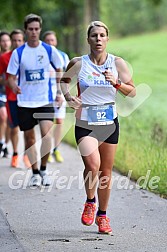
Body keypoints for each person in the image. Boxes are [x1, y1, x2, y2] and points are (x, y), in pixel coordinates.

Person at [60, 21, 136, 234]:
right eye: (94, 36)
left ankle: (102, 215)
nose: (98, 39)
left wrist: (117, 84)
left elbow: (133, 92)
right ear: (88, 40)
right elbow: (64, 81)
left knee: (105, 172)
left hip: (109, 123)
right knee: (93, 166)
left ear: (107, 39)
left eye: (102, 35)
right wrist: (68, 97)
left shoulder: (117, 63)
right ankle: (90, 201)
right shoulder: (78, 63)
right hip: (85, 121)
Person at [7, 14, 63, 186]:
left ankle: (44, 169)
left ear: (40, 29)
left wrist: (59, 91)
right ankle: (35, 172)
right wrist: (14, 86)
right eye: (30, 29)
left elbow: (60, 69)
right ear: (26, 30)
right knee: (30, 139)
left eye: (36, 29)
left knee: (47, 136)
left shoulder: (48, 50)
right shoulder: (19, 52)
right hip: (25, 102)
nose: (33, 32)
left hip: (44, 100)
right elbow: (10, 76)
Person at [0, 29, 31, 168]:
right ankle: (15, 154)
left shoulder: (29, 56)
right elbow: (1, 78)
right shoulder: (5, 57)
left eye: (20, 40)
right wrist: (9, 82)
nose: (17, 43)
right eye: (14, 40)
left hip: (28, 98)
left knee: (27, 129)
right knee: (14, 128)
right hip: (12, 97)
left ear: (23, 41)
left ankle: (26, 155)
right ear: (11, 42)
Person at [42, 31, 70, 163]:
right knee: (46, 123)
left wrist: (63, 93)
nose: (50, 43)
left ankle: (56, 149)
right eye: (47, 41)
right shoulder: (40, 56)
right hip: (45, 94)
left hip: (59, 93)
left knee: (59, 121)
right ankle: (46, 150)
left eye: (52, 40)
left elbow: (67, 77)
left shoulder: (63, 56)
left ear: (56, 41)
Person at [0, 31, 11, 157]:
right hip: (1, 91)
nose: (5, 43)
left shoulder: (14, 57)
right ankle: (1, 142)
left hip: (11, 93)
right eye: (3, 40)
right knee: (3, 116)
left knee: (9, 121)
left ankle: (5, 145)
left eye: (7, 40)